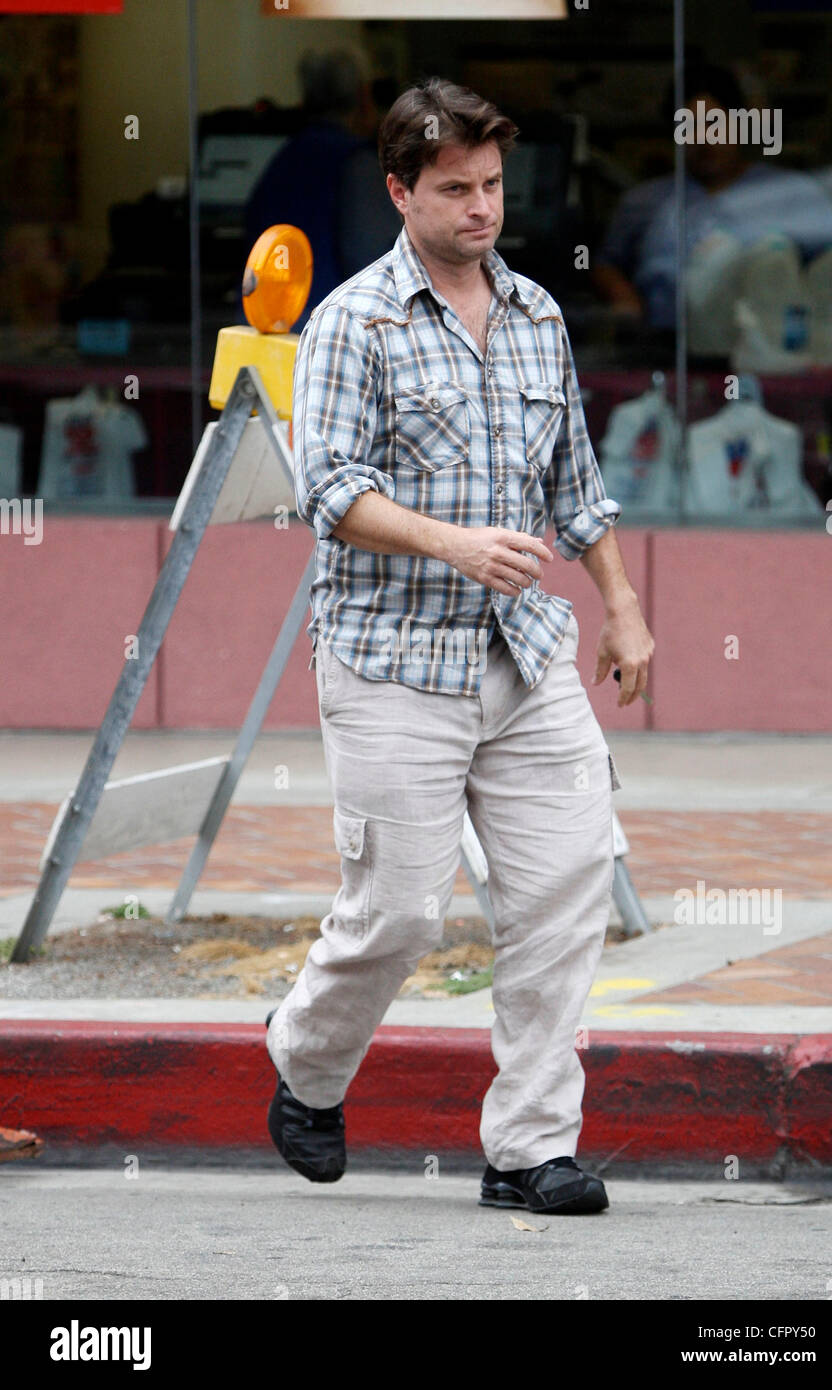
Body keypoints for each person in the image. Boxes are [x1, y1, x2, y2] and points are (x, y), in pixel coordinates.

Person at [265, 77, 654, 1217]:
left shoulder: (535, 314)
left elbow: (575, 488)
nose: (481, 208)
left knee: (563, 886)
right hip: (391, 656)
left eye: (491, 186)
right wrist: (453, 545)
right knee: (399, 911)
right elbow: (327, 489)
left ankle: (528, 1147)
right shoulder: (352, 320)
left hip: (523, 651)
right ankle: (306, 1061)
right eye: (454, 190)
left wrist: (621, 607)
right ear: (399, 191)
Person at [592, 62, 832, 332]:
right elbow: (607, 263)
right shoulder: (644, 201)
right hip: (663, 345)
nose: (704, 139)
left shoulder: (789, 193)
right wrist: (622, 294)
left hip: (765, 347)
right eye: (689, 127)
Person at [244, 48, 401, 334]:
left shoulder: (282, 160)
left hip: (268, 327)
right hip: (330, 334)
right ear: (364, 96)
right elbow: (377, 266)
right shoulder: (358, 165)